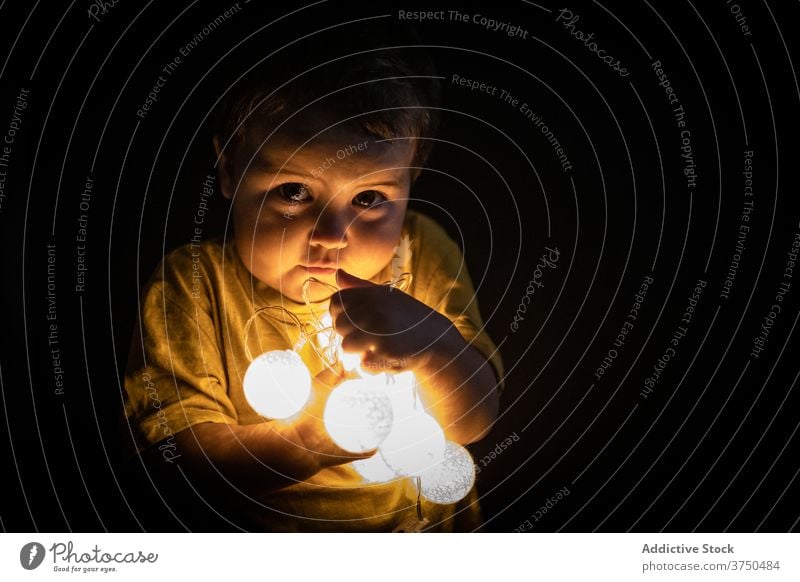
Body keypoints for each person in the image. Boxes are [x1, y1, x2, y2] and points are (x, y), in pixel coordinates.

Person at [123, 25, 504, 532]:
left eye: (369, 199)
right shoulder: (194, 285)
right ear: (231, 168)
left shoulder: (420, 250)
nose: (330, 234)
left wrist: (434, 347)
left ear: (411, 180)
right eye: (294, 191)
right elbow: (181, 459)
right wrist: (313, 437)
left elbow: (474, 421)